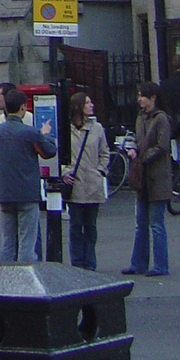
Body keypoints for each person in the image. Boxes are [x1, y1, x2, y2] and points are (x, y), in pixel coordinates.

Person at [0, 88, 56, 262]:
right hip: (27, 194)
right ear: (23, 108)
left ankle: (7, 281)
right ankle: (26, 281)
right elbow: (49, 152)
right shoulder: (30, 133)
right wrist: (46, 134)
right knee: (27, 243)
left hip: (4, 193)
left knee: (7, 243)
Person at [123, 80, 171, 277]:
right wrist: (133, 148)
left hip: (157, 177)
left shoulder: (161, 119)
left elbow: (162, 146)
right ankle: (138, 264)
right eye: (139, 95)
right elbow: (136, 138)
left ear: (153, 98)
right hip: (142, 177)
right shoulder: (140, 118)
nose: (139, 99)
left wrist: (142, 156)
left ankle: (161, 266)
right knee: (140, 222)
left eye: (143, 96)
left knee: (157, 224)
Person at [62, 91, 110, 271]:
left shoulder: (97, 128)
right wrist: (65, 172)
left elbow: (105, 152)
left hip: (92, 184)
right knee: (75, 227)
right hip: (74, 185)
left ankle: (90, 263)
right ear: (78, 107)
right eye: (88, 103)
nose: (92, 105)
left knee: (90, 227)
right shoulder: (67, 129)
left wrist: (101, 170)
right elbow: (60, 155)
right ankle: (77, 263)